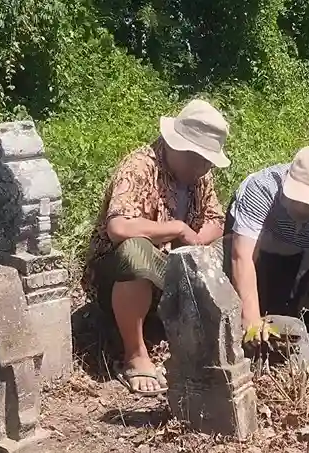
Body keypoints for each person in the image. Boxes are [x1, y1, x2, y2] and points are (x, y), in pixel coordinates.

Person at [81, 98, 231, 396]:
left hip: (170, 269)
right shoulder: (139, 166)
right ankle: (135, 356)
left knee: (230, 247)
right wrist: (175, 228)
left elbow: (217, 218)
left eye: (207, 161)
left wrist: (199, 241)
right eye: (197, 158)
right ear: (176, 145)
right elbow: (119, 227)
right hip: (118, 275)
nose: (203, 167)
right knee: (135, 250)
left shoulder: (200, 177)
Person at [226, 145, 309, 336]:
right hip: (256, 239)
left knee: (283, 312)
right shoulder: (262, 188)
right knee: (237, 307)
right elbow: (242, 256)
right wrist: (251, 319)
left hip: (301, 246)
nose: (302, 208)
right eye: (297, 198)